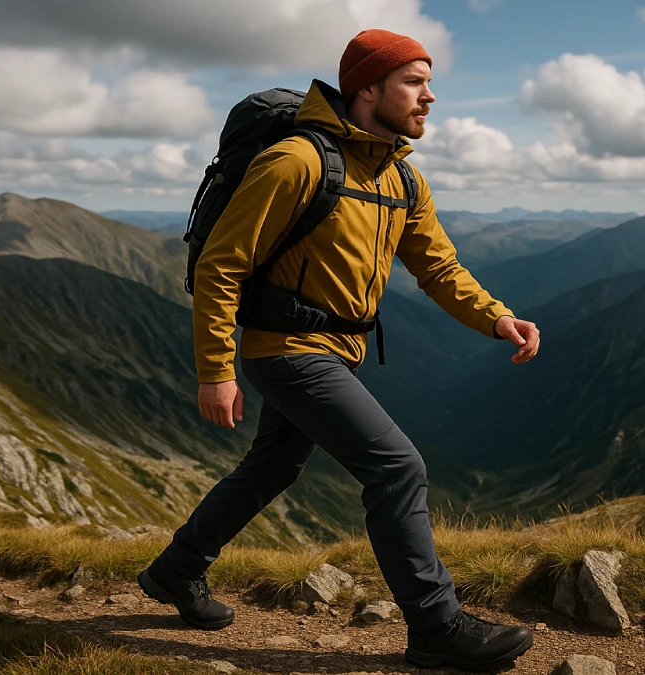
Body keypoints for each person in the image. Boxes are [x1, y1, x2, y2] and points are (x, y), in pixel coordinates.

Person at [137, 28, 540, 672]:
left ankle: (177, 570)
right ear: (367, 89)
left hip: (337, 349)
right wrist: (215, 370)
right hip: (287, 350)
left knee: (274, 466)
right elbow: (222, 265)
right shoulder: (297, 161)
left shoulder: (401, 177)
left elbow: (438, 268)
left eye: (429, 82)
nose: (429, 97)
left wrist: (498, 319)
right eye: (414, 82)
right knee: (397, 468)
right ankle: (437, 626)